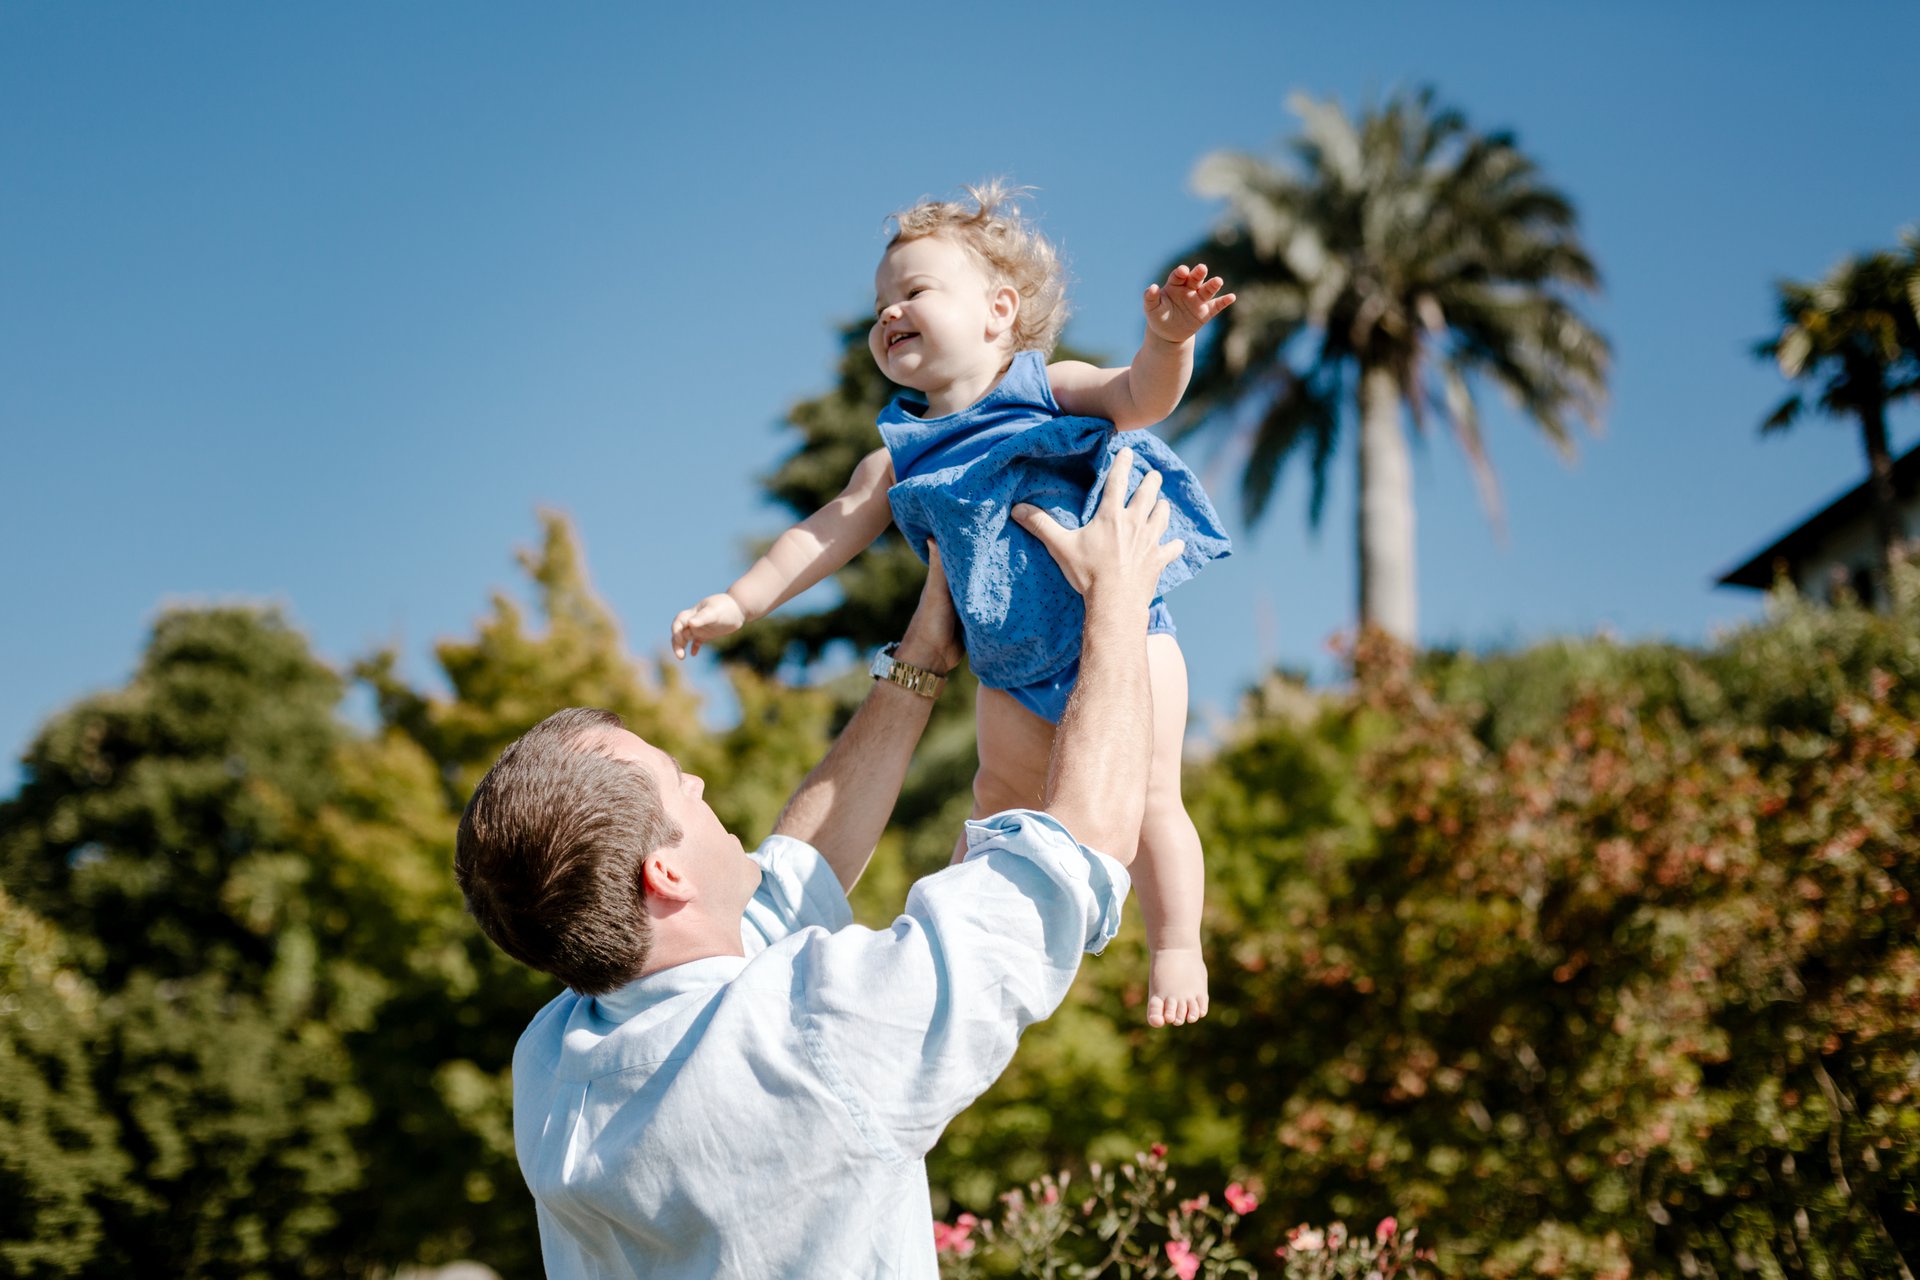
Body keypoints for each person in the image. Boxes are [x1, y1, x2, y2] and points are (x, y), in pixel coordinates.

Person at [454, 451, 1181, 1278]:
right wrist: (1116, 602)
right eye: (674, 783)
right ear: (666, 876)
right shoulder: (815, 1040)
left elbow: (791, 879)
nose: (696, 780)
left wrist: (919, 661)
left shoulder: (555, 1069)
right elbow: (1077, 844)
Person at [670, 183, 1235, 1027]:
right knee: (996, 797)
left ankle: (1176, 943)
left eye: (914, 292)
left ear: (998, 312)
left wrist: (1167, 340)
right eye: (880, 304)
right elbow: (824, 534)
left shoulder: (1044, 387)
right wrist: (740, 602)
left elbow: (1140, 398)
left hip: (1117, 637)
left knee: (1151, 798)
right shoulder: (899, 453)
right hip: (1008, 669)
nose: (890, 312)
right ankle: (971, 940)